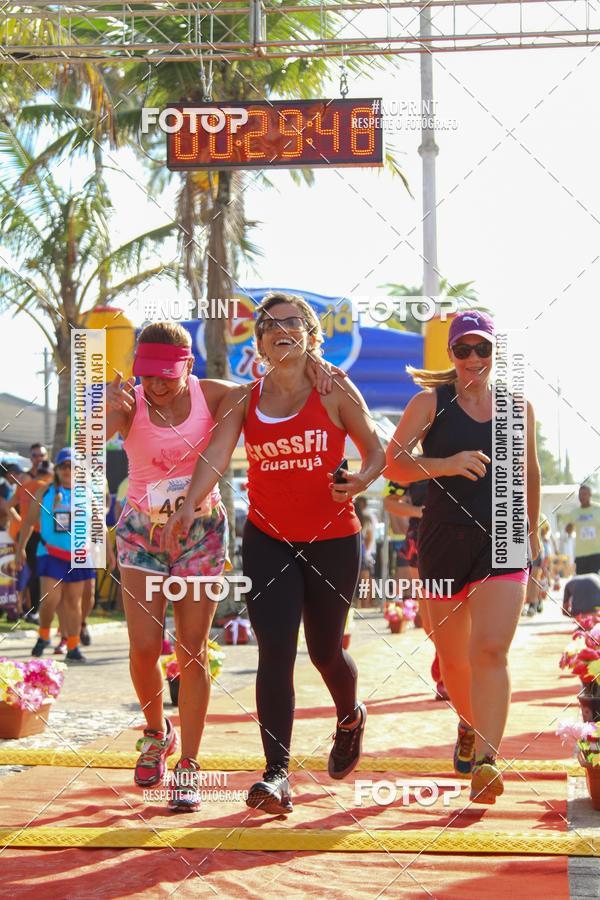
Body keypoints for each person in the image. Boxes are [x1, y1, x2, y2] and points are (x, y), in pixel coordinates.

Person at [162, 292, 385, 815]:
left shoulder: (334, 390)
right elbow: (215, 456)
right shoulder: (245, 399)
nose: (281, 330)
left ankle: (350, 717)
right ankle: (276, 775)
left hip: (333, 539)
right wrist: (188, 507)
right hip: (268, 540)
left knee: (325, 650)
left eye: (294, 323)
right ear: (258, 342)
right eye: (270, 325)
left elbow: (376, 450)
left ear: (311, 335)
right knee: (275, 650)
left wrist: (358, 481)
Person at [108, 318, 339, 813]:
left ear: (188, 366)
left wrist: (316, 365)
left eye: (166, 375)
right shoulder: (129, 402)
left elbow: (275, 383)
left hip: (201, 532)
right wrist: (102, 412)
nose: (156, 385)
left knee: (190, 648)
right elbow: (89, 449)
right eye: (146, 374)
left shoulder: (216, 396)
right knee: (144, 647)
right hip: (141, 532)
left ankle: (189, 766)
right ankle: (156, 732)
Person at [386, 309, 541, 804]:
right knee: (453, 659)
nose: (474, 358)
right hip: (442, 541)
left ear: (496, 353)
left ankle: (488, 760)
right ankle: (469, 725)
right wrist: (446, 464)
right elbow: (395, 465)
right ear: (450, 355)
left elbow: (530, 473)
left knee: (489, 650)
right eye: (463, 349)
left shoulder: (519, 407)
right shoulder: (429, 403)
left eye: (483, 349)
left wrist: (532, 534)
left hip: (505, 537)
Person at [15, 448, 98, 663]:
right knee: (50, 600)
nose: (68, 470)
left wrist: (105, 550)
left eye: (72, 466)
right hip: (50, 553)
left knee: (73, 602)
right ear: (57, 469)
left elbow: (97, 525)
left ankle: (73, 645)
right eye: (63, 466)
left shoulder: (87, 493)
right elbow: (28, 522)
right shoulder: (45, 492)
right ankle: (44, 635)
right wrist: (20, 549)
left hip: (78, 555)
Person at [564, 485, 600, 575]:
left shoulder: (598, 509)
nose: (582, 497)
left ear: (590, 495)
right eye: (580, 494)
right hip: (581, 554)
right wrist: (569, 527)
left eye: (584, 494)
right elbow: (568, 531)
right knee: (582, 584)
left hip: (596, 553)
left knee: (595, 583)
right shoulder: (574, 513)